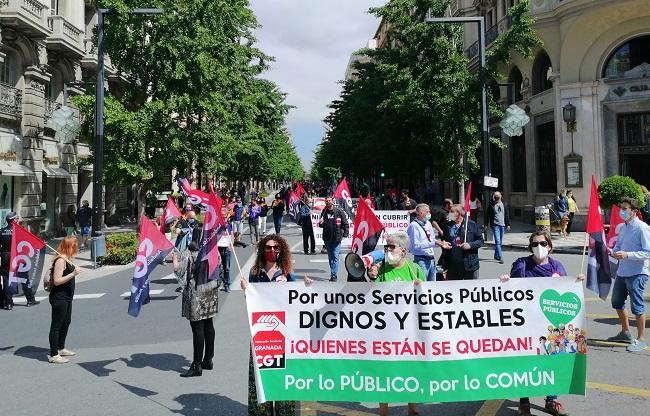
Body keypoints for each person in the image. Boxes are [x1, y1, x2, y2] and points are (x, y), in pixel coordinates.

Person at [499, 231, 585, 416]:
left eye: (543, 243)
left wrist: (575, 282)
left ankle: (552, 400)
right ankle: (524, 402)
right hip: (526, 322)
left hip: (550, 324)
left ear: (550, 246)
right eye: (534, 244)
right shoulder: (521, 264)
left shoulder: (557, 266)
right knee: (524, 361)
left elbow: (566, 291)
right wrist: (506, 281)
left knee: (552, 360)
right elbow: (513, 289)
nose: (539, 247)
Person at [240, 235, 312, 416]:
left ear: (281, 251)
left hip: (284, 335)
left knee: (282, 376)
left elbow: (297, 299)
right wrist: (246, 290)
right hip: (261, 335)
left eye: (276, 248)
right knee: (260, 377)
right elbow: (252, 303)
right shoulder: (255, 273)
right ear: (263, 250)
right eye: (269, 248)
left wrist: (307, 287)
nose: (273, 251)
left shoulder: (287, 273)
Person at [367, 232, 422, 416]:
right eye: (386, 247)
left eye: (391, 247)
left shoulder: (414, 269)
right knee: (385, 372)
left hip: (410, 332)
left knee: (411, 371)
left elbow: (429, 299)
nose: (387, 250)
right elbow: (373, 298)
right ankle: (383, 411)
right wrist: (373, 277)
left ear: (403, 251)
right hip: (386, 332)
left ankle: (412, 409)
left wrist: (419, 286)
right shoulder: (382, 268)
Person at [173, 227, 220, 377]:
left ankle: (197, 364)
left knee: (197, 328)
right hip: (211, 290)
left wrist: (175, 262)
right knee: (209, 324)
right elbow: (219, 267)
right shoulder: (212, 250)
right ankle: (209, 359)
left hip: (196, 293)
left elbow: (182, 274)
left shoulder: (189, 253)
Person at [606, 197, 650, 352]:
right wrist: (612, 251)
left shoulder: (642, 228)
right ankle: (625, 332)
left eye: (625, 209)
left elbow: (647, 252)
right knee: (616, 302)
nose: (622, 211)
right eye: (621, 208)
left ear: (634, 211)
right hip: (622, 271)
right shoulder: (623, 227)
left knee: (637, 307)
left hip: (637, 273)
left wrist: (627, 255)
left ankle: (641, 339)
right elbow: (618, 246)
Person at [47, 236, 82, 363]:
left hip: (67, 297)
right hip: (59, 297)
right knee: (56, 326)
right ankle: (53, 354)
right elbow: (57, 281)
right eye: (74, 246)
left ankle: (60, 347)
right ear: (68, 246)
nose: (76, 248)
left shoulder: (66, 258)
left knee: (66, 322)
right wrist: (73, 274)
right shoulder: (60, 260)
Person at [1, 212, 39, 309]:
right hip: (18, 257)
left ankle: (8, 303)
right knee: (24, 277)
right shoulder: (20, 231)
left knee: (6, 279)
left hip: (6, 256)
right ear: (13, 220)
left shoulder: (1, 231)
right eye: (17, 218)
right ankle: (30, 300)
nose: (18, 220)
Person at [407, 204, 451, 282]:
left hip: (431, 259)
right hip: (421, 260)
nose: (429, 214)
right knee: (422, 284)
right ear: (420, 213)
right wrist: (435, 243)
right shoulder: (414, 226)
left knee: (432, 285)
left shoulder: (428, 223)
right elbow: (416, 245)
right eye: (427, 212)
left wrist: (441, 243)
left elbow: (432, 240)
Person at [441, 204, 484, 280]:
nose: (449, 214)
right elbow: (444, 245)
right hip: (453, 265)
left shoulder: (471, 224)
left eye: (452, 212)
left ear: (459, 213)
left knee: (471, 289)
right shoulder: (447, 226)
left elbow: (481, 241)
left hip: (469, 264)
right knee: (454, 289)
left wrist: (470, 245)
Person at [319, 196, 349, 282]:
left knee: (335, 256)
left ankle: (334, 274)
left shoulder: (339, 212)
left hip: (337, 238)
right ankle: (333, 272)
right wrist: (320, 223)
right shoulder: (324, 212)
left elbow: (345, 224)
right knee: (331, 257)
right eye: (326, 201)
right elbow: (321, 225)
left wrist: (345, 233)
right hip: (327, 238)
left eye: (329, 200)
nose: (328, 202)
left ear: (332, 201)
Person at [485, 191, 511, 264]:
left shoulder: (505, 205)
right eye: (495, 195)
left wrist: (508, 224)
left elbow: (506, 215)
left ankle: (496, 255)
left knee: (500, 242)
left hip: (502, 225)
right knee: (498, 242)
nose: (496, 196)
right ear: (494, 196)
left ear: (500, 196)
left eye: (498, 195)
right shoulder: (491, 205)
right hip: (495, 225)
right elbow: (487, 215)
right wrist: (486, 224)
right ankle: (500, 257)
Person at [217, 224, 232, 292]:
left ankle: (227, 285)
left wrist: (231, 245)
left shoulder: (228, 225)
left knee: (227, 268)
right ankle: (217, 284)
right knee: (217, 268)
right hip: (218, 248)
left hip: (226, 249)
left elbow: (232, 235)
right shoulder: (215, 225)